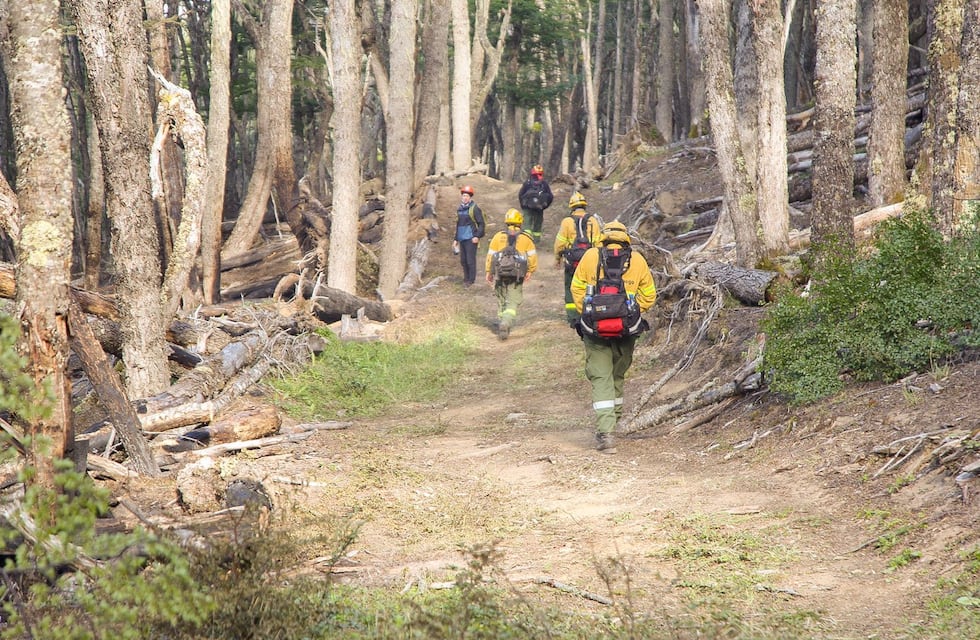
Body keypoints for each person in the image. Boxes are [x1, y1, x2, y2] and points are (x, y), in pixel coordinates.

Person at [570, 221, 657, 453]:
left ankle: (606, 433)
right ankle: (613, 421)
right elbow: (649, 295)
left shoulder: (590, 256)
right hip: (627, 331)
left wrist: (589, 312)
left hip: (594, 330)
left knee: (601, 377)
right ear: (625, 237)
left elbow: (576, 287)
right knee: (617, 374)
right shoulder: (637, 260)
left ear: (603, 237)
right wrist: (631, 312)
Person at [485, 208, 538, 340]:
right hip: (517, 275)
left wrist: (488, 272)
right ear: (520, 222)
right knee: (513, 301)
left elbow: (490, 256)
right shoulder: (526, 238)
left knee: (501, 298)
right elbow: (532, 257)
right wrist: (530, 271)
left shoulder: (498, 237)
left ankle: (501, 321)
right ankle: (506, 322)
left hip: (499, 273)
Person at [554, 191, 604, 326]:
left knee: (570, 288)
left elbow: (559, 243)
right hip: (590, 261)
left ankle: (573, 317)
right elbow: (599, 243)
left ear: (571, 207)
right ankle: (591, 314)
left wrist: (557, 258)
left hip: (572, 262)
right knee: (592, 286)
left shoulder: (567, 222)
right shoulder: (593, 221)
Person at [454, 185, 485, 287]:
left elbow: (481, 223)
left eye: (467, 196)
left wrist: (477, 236)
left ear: (470, 197)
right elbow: (458, 224)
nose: (465, 198)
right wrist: (456, 239)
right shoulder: (460, 209)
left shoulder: (474, 209)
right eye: (463, 196)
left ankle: (471, 280)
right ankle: (466, 278)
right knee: (463, 260)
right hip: (462, 238)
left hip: (471, 239)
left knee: (470, 260)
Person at [517, 165, 554, 245]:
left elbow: (521, 194)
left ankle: (526, 241)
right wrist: (544, 206)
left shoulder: (527, 183)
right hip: (539, 209)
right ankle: (536, 242)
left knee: (527, 224)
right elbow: (550, 196)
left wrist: (523, 206)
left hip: (527, 208)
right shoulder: (544, 184)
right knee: (537, 225)